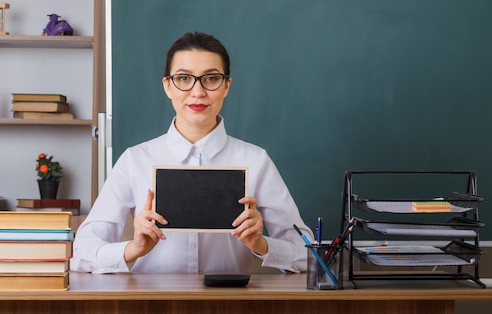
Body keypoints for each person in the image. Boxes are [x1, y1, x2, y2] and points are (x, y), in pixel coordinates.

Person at [71, 32, 314, 274]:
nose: (197, 92)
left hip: (230, 308)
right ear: (167, 85)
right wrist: (134, 249)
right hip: (149, 308)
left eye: (211, 78)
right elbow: (82, 252)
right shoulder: (135, 160)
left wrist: (261, 245)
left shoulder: (255, 160)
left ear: (227, 85)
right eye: (184, 78)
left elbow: (310, 256)